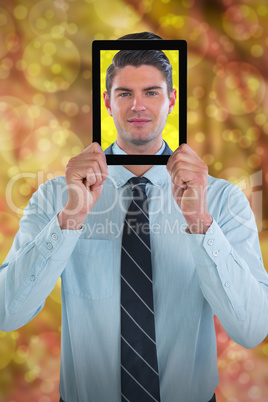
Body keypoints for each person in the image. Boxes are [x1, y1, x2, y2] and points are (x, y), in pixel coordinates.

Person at [0, 31, 268, 402]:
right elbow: (6, 314)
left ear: (172, 101)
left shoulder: (223, 200)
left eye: (151, 92)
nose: (137, 106)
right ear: (107, 103)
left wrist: (201, 224)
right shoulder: (55, 197)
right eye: (125, 93)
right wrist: (70, 217)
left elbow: (252, 330)